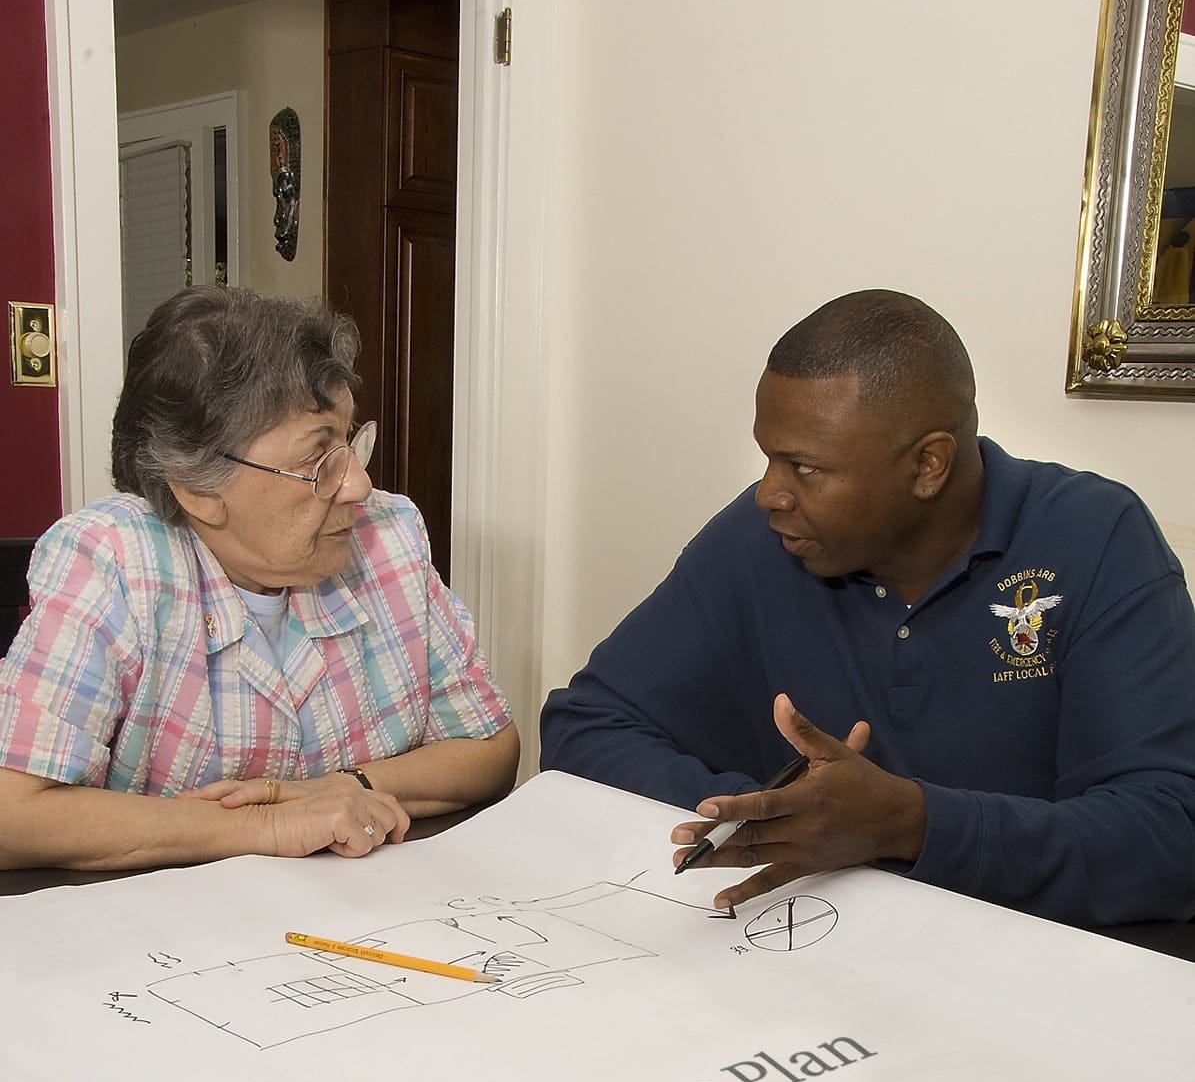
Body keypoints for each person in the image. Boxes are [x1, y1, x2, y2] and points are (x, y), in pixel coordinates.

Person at [540, 289, 1195, 927]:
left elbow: (1167, 836)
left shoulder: (1093, 537)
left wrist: (906, 823)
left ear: (928, 466)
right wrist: (776, 817)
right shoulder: (764, 536)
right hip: (808, 957)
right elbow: (584, 727)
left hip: (1030, 969)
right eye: (768, 457)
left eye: (803, 467)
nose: (769, 492)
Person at [0, 286, 518, 870]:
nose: (357, 486)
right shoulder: (114, 561)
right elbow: (12, 812)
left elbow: (490, 748)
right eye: (318, 461)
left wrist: (344, 787)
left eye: (352, 445)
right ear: (198, 487)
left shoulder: (387, 533)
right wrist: (266, 823)